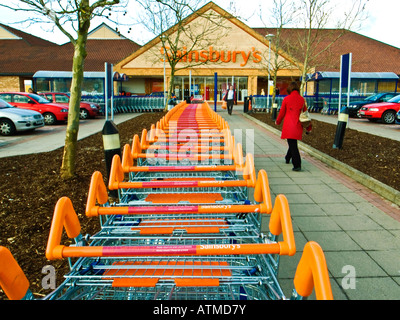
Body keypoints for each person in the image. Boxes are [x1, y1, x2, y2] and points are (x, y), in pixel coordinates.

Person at [275, 81, 310, 172]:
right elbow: (305, 114)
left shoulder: (286, 99)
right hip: (298, 125)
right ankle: (287, 157)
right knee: (292, 142)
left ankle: (297, 164)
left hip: (289, 125)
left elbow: (282, 112)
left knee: (293, 145)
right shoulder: (302, 100)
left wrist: (277, 121)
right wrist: (308, 127)